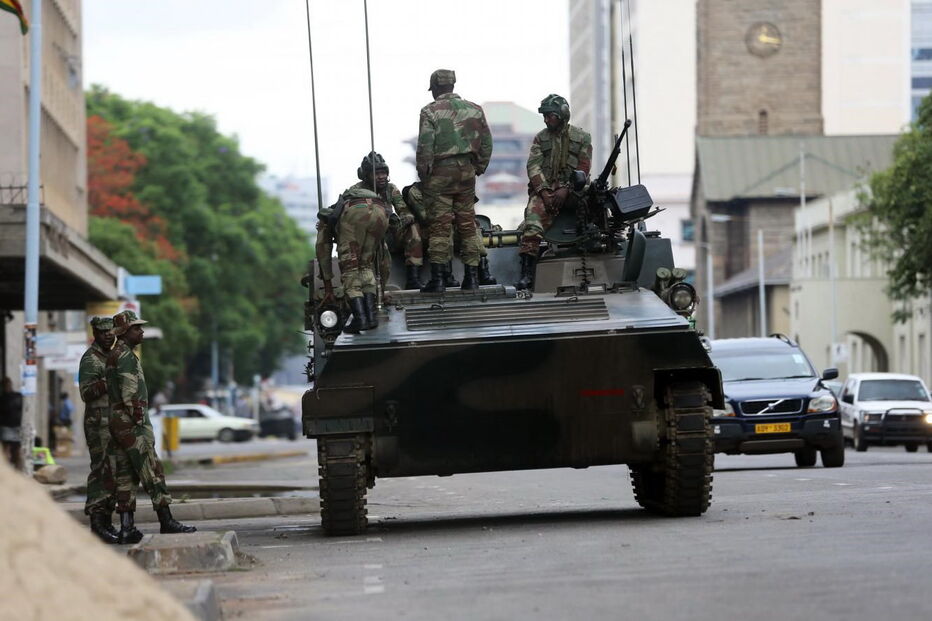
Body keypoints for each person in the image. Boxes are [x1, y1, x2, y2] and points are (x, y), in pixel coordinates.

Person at [107, 310, 195, 543]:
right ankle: (167, 521)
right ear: (124, 332)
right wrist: (140, 423)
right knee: (152, 471)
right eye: (136, 328)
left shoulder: (114, 354)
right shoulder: (125, 356)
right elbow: (130, 396)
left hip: (118, 424)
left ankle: (127, 528)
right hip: (132, 425)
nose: (141, 331)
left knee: (126, 475)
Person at [416, 68, 493, 293]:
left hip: (440, 173)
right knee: (467, 224)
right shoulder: (475, 109)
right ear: (452, 85)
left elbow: (425, 145)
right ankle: (472, 278)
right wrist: (478, 167)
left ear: (435, 88)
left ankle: (439, 279)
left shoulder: (429, 111)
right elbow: (487, 143)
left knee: (439, 226)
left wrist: (424, 175)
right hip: (466, 172)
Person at [516, 94, 592, 290]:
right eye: (545, 116)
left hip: (574, 191)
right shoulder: (540, 138)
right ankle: (526, 273)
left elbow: (584, 167)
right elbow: (533, 166)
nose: (546, 120)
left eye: (550, 116)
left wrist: (566, 189)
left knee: (595, 209)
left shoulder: (582, 137)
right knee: (532, 222)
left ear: (562, 115)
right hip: (546, 191)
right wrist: (544, 192)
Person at [316, 175, 390, 333]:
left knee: (350, 269)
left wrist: (328, 287)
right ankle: (371, 318)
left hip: (356, 211)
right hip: (381, 209)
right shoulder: (339, 211)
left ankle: (360, 319)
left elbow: (323, 252)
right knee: (365, 266)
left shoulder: (325, 223)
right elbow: (384, 255)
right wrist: (382, 288)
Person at [78, 316, 124, 544]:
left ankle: (107, 520)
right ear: (95, 333)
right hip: (98, 424)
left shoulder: (112, 357)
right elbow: (86, 393)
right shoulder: (90, 359)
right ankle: (97, 523)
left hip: (113, 422)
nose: (108, 335)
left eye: (110, 332)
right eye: (103, 332)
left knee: (113, 472)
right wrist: (109, 380)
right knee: (101, 471)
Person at [351, 152, 425, 290]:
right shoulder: (356, 191)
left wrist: (405, 218)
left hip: (390, 234)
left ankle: (413, 277)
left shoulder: (390, 189)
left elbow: (403, 210)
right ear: (366, 175)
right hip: (369, 239)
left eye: (383, 172)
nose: (382, 177)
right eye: (376, 174)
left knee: (413, 228)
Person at [402, 182, 496, 287]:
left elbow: (467, 212)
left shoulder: (455, 186)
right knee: (445, 227)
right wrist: (453, 216)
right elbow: (426, 218)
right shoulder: (416, 191)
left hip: (451, 229)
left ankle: (482, 271)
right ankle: (445, 275)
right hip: (430, 233)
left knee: (471, 225)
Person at [0, 377, 23, 469]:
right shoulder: (3, 398)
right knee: (7, 448)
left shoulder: (17, 396)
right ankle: (8, 468)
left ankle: (15, 468)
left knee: (15, 449)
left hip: (15, 425)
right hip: (7, 425)